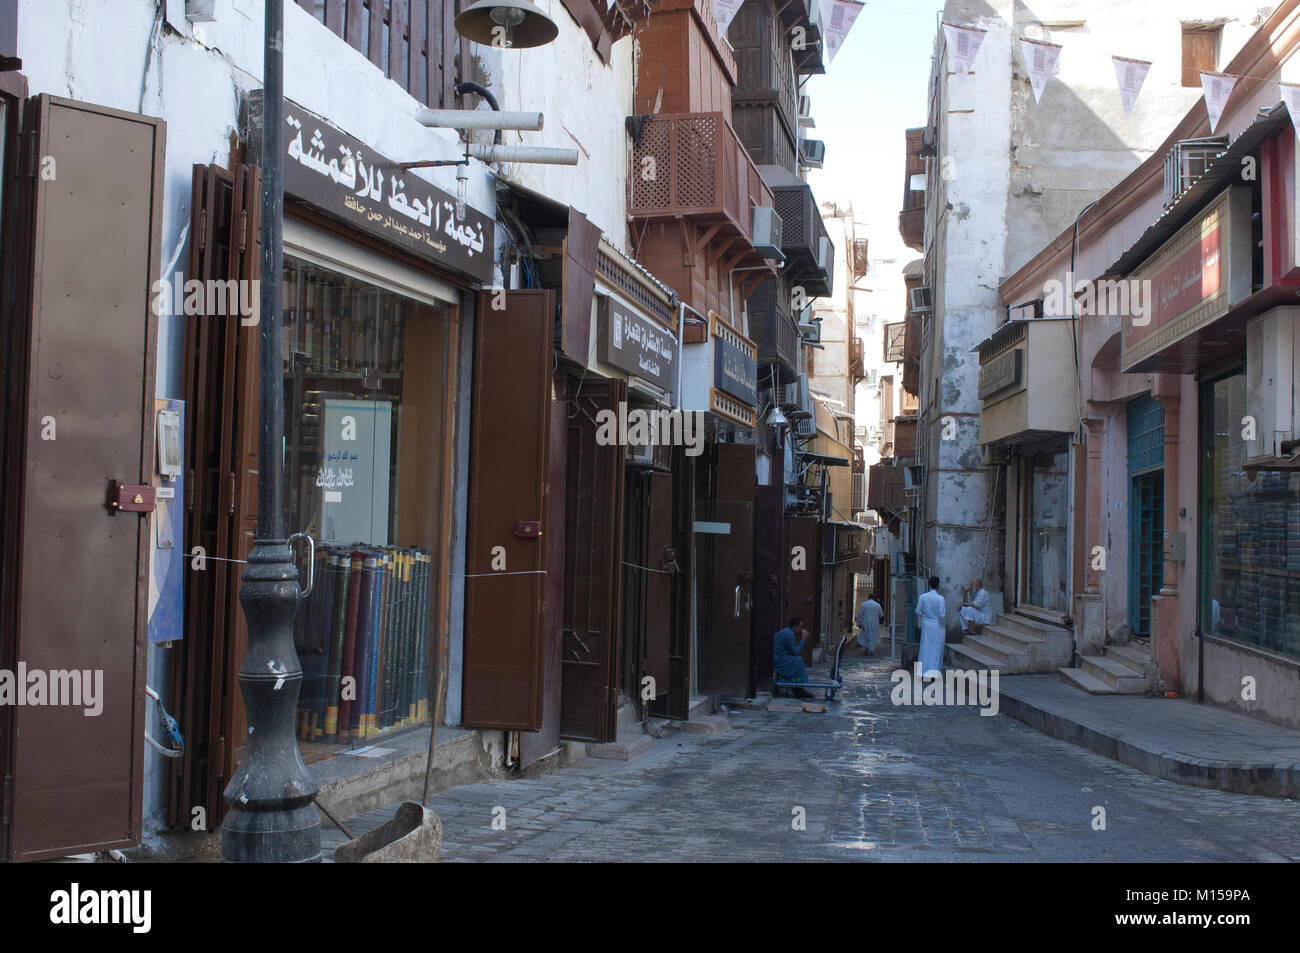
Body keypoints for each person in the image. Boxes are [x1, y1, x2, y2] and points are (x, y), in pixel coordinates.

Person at [773, 617, 814, 699]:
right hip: (778, 659)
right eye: (800, 628)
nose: (801, 630)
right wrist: (803, 639)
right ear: (795, 627)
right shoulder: (788, 634)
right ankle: (798, 686)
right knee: (798, 660)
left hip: (780, 657)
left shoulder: (787, 632)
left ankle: (798, 686)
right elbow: (795, 652)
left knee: (798, 660)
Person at [915, 576, 947, 681]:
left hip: (926, 625)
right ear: (938, 585)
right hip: (937, 626)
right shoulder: (940, 599)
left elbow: (918, 611)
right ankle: (934, 673)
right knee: (936, 649)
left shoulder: (923, 597)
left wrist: (926, 616)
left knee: (925, 648)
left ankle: (922, 672)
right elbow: (942, 615)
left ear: (929, 584)